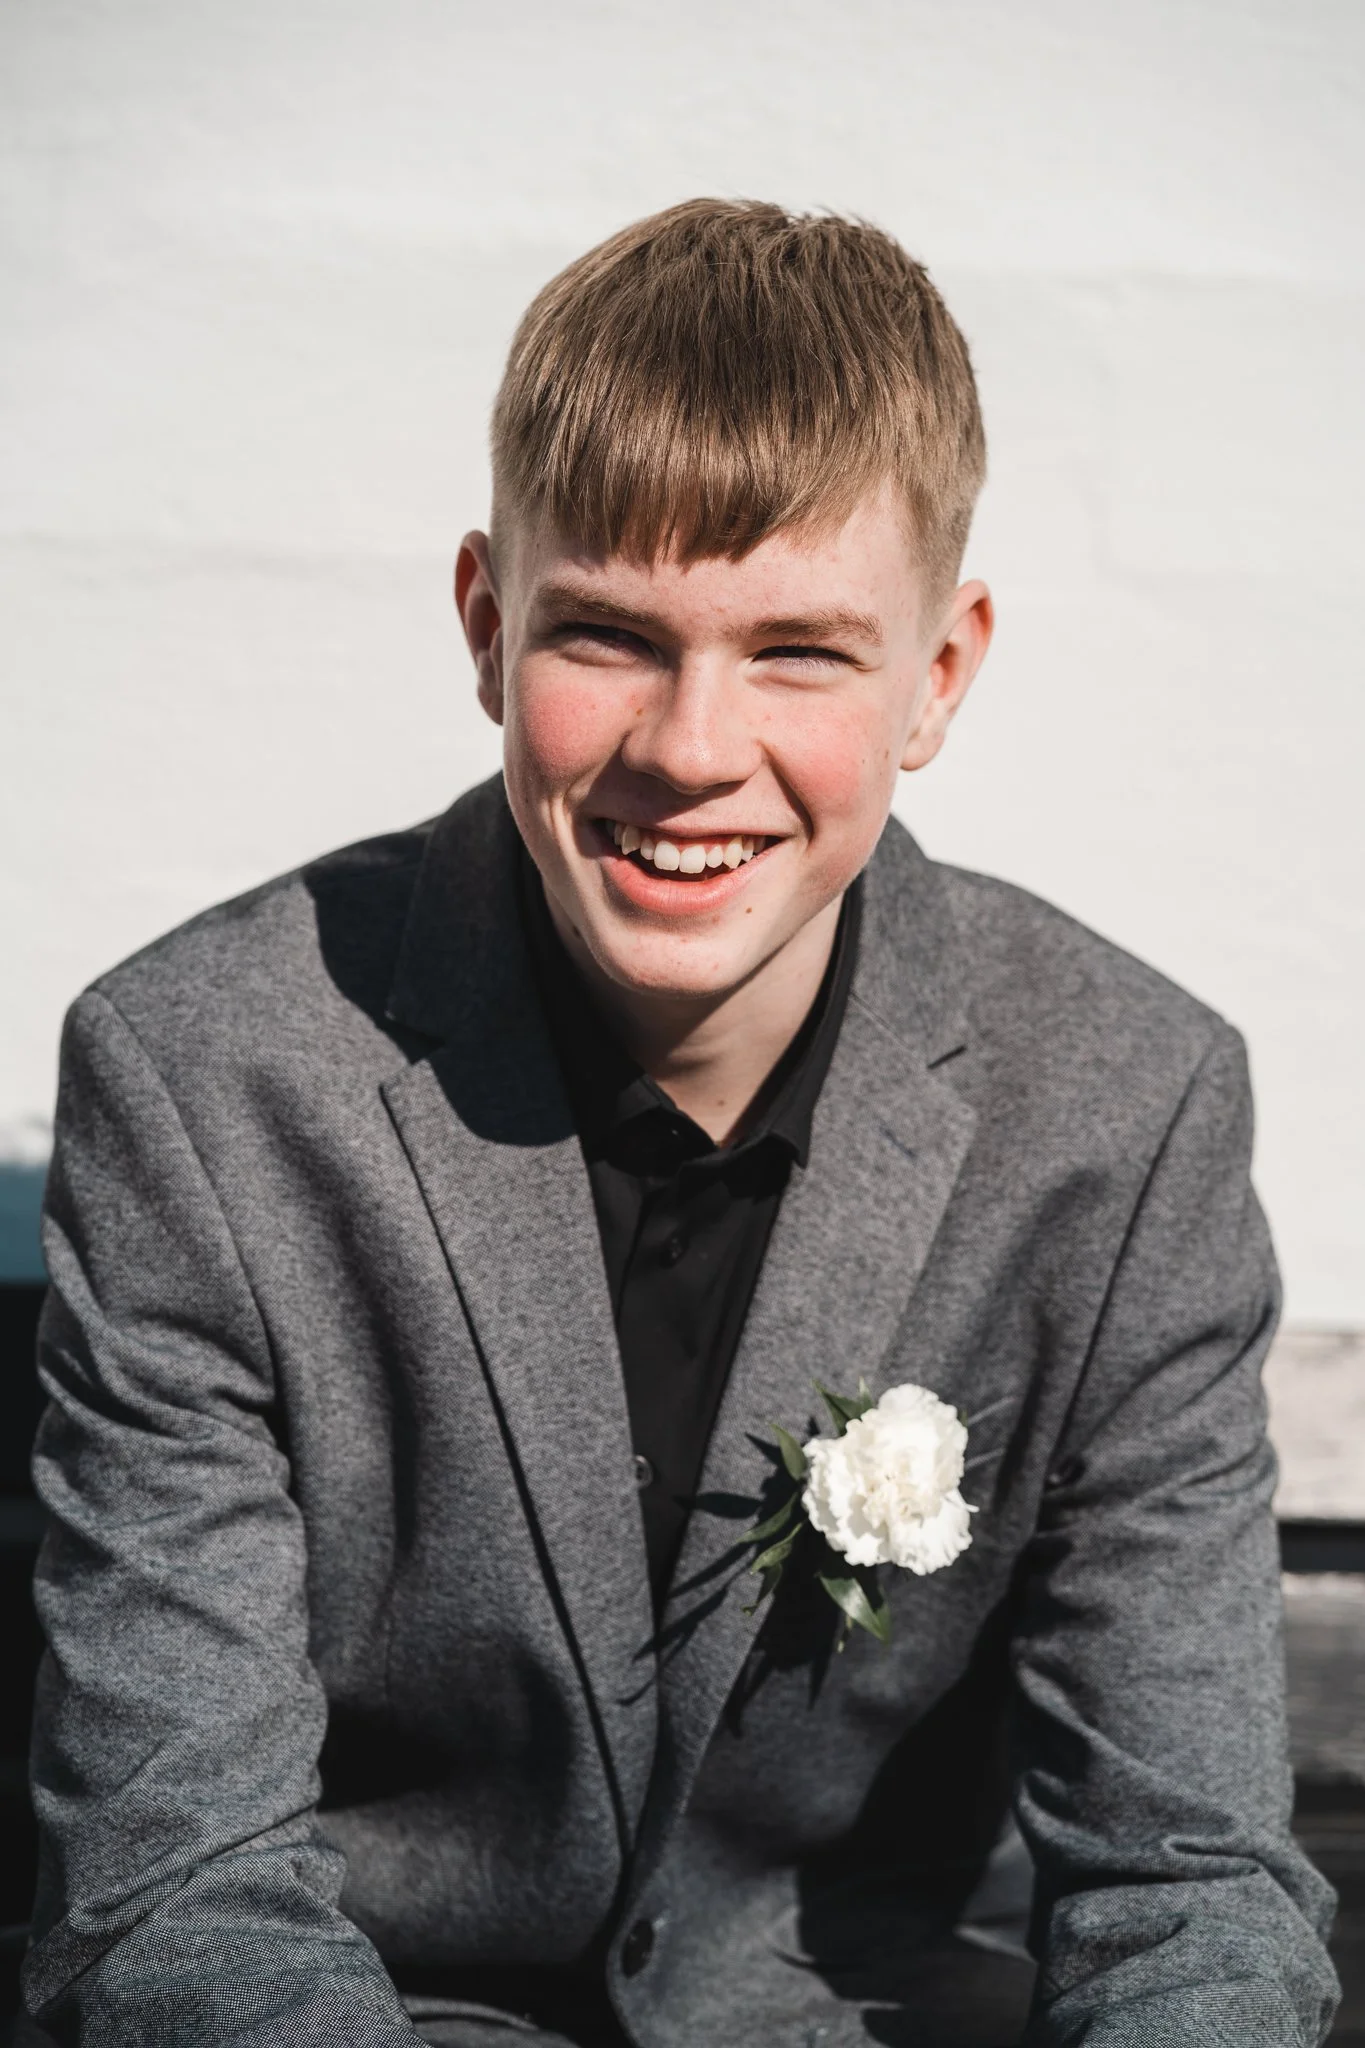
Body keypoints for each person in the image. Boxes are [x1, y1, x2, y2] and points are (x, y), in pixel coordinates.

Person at [23, 199, 1337, 2047]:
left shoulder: (1128, 1113)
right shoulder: (202, 1082)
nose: (690, 746)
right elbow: (178, 1895)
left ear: (939, 676)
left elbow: (1186, 1885)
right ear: (486, 629)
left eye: (799, 650)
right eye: (610, 637)